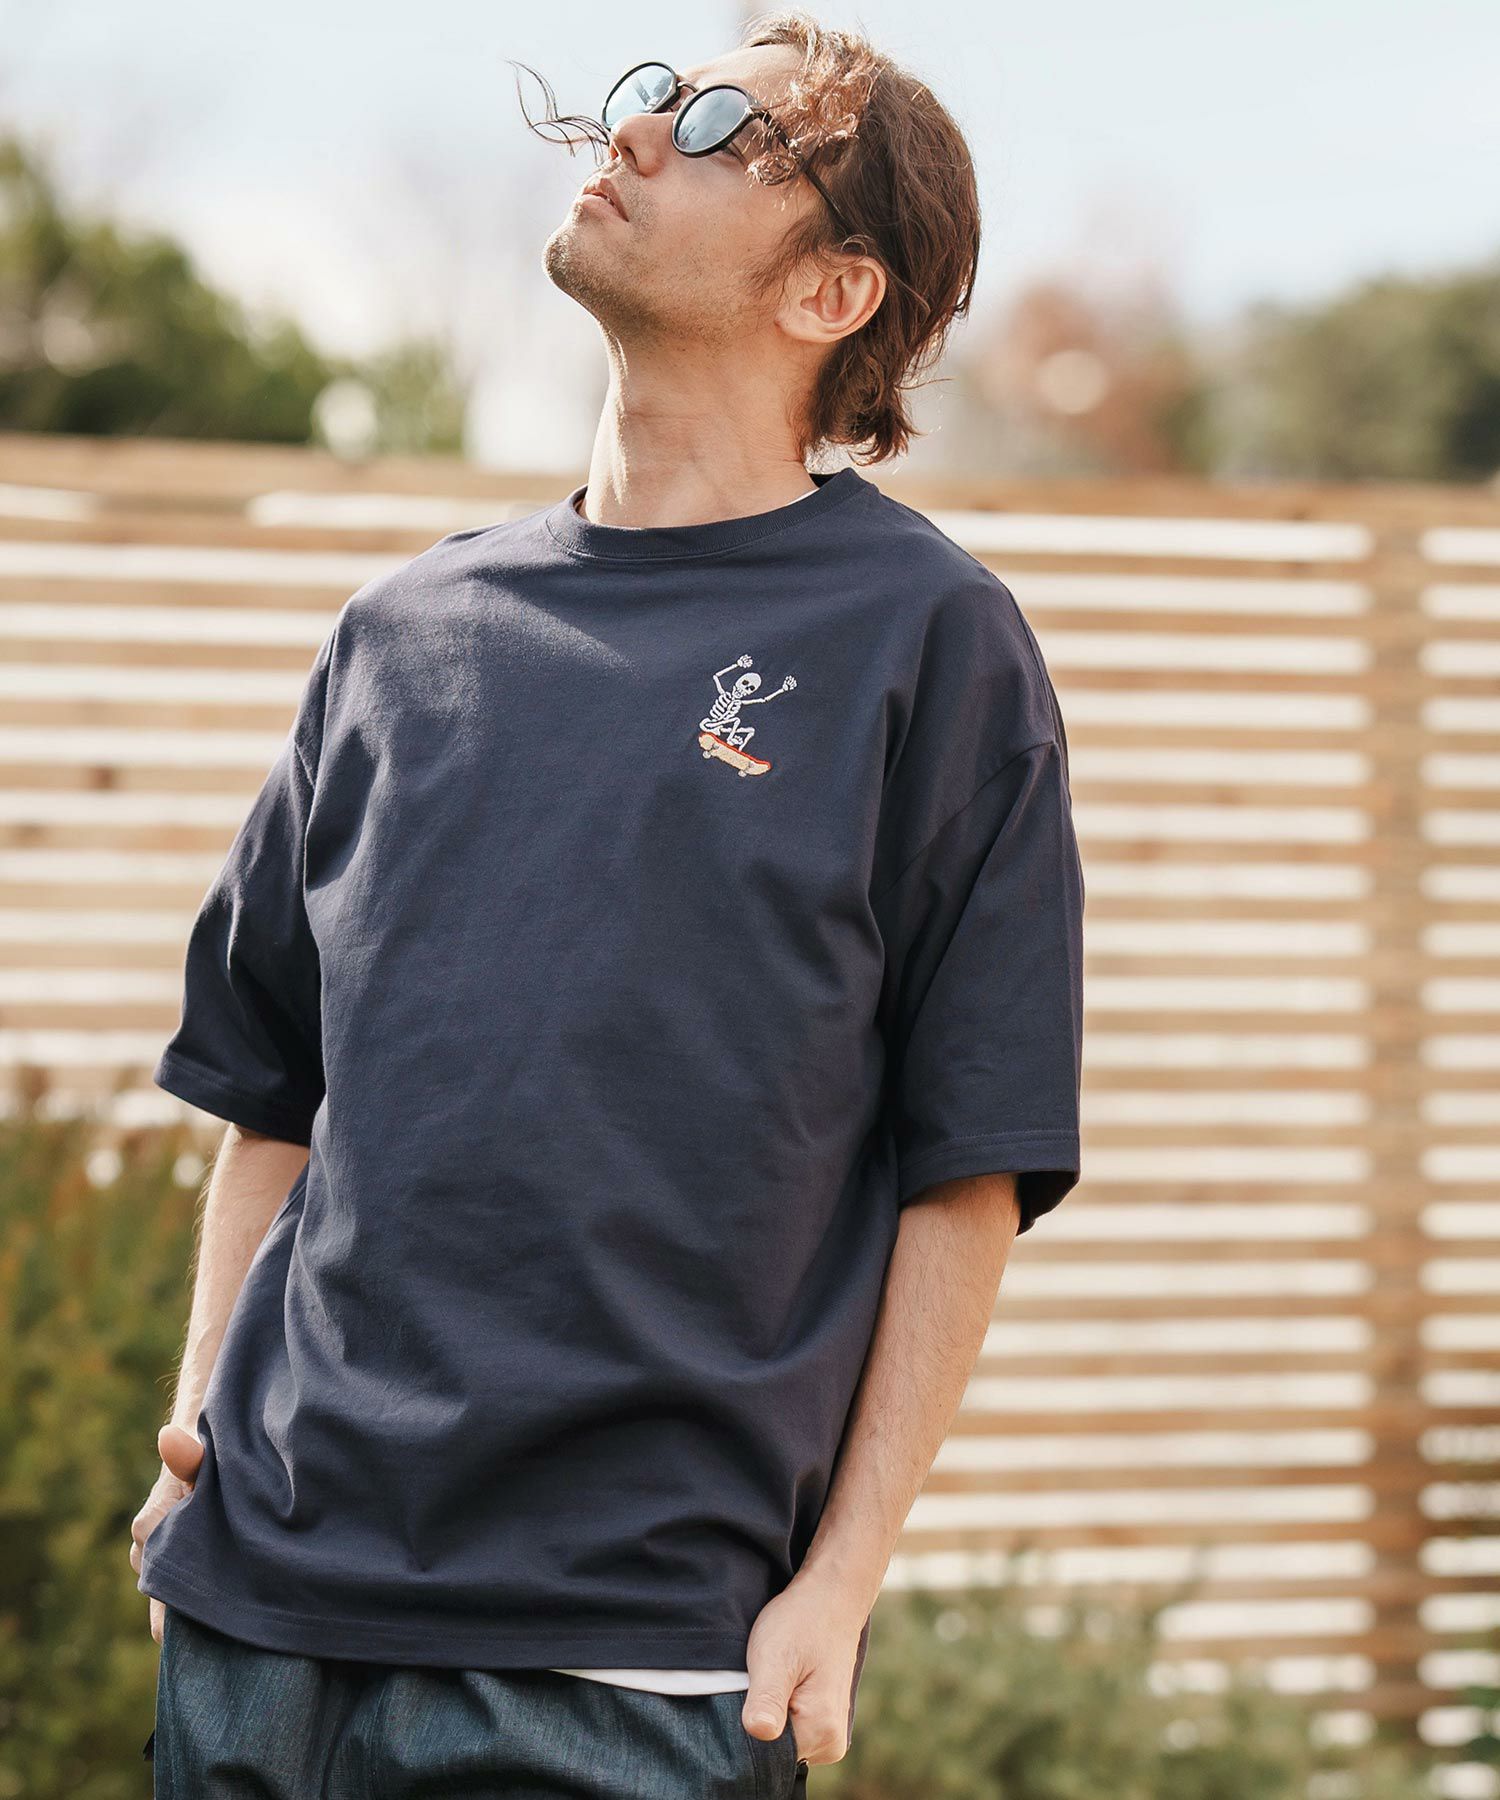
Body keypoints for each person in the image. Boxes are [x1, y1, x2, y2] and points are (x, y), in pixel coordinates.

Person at [132, 10, 1086, 1795]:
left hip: (628, 1660)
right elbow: (272, 1085)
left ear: (834, 294)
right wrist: (199, 1415)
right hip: (264, 1619)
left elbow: (971, 1164)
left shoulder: (926, 644)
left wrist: (843, 1579)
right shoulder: (402, 633)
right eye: (654, 96)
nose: (637, 131)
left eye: (726, 130)